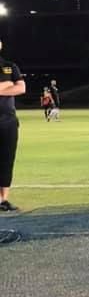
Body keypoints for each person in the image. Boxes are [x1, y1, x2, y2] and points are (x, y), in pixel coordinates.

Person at [0, 39, 26, 212]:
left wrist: (7, 86)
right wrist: (7, 85)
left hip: (8, 121)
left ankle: (3, 200)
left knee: (7, 160)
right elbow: (13, 87)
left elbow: (21, 88)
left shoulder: (10, 66)